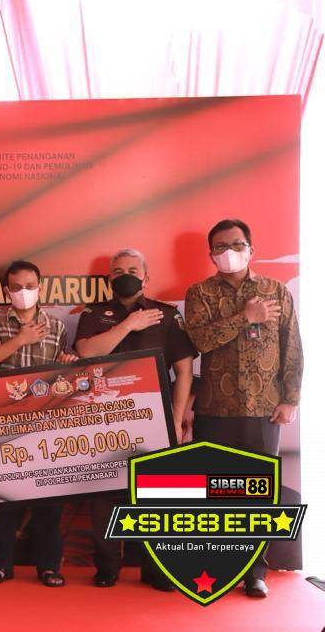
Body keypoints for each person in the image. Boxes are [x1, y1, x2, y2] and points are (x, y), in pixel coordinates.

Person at [184, 219, 302, 599]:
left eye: (236, 244)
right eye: (220, 246)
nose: (229, 252)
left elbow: (292, 346)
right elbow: (200, 341)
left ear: (251, 249)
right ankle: (218, 567)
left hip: (263, 409)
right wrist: (245, 318)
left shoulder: (276, 291)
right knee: (214, 494)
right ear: (211, 254)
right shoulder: (199, 293)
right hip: (214, 409)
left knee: (259, 494)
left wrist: (291, 399)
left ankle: (255, 572)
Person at [74, 247, 196, 590]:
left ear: (146, 277)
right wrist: (129, 324)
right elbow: (87, 352)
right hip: (105, 418)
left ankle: (155, 569)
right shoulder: (93, 314)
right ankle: (107, 567)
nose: (124, 276)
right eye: (117, 271)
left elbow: (184, 372)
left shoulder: (166, 315)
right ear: (109, 278)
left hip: (154, 419)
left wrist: (176, 419)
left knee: (154, 495)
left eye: (131, 270)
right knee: (105, 497)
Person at [0, 260, 75, 588]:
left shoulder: (56, 325)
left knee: (49, 501)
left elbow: (62, 373)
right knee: (2, 499)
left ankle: (48, 567)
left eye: (30, 286)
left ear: (40, 287)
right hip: (1, 421)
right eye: (17, 287)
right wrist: (19, 340)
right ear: (7, 291)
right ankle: (1, 565)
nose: (23, 292)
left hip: (44, 422)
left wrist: (66, 363)